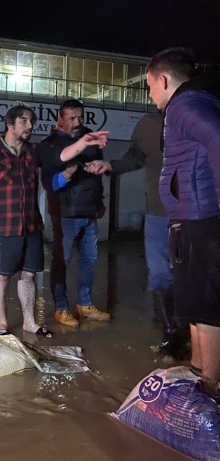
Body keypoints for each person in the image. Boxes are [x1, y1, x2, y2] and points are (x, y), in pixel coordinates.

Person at [0, 103, 108, 337]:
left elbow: (60, 156)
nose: (30, 126)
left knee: (28, 274)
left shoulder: (33, 151)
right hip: (4, 227)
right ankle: (2, 323)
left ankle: (29, 322)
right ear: (10, 125)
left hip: (31, 226)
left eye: (32, 122)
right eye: (24, 121)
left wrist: (83, 142)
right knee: (3, 275)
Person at [145, 47, 220, 398]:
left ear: (163, 79)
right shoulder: (184, 107)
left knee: (206, 306)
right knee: (192, 304)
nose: (149, 94)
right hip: (187, 218)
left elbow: (218, 139)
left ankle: (210, 386)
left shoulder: (186, 106)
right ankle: (198, 372)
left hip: (200, 218)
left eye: (149, 85)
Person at [85, 113, 184, 355]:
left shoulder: (198, 116)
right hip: (157, 214)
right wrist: (110, 165)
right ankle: (171, 333)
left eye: (151, 85)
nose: (149, 92)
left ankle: (198, 335)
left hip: (194, 215)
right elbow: (135, 157)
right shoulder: (149, 124)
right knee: (160, 275)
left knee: (192, 276)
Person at [40, 99, 111, 328]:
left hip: (89, 211)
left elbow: (95, 175)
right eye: (71, 118)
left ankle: (85, 304)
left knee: (89, 260)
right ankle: (61, 308)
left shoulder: (88, 138)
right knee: (62, 261)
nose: (77, 122)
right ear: (60, 119)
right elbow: (49, 184)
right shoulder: (51, 144)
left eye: (80, 117)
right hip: (65, 213)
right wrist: (67, 176)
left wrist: (98, 200)